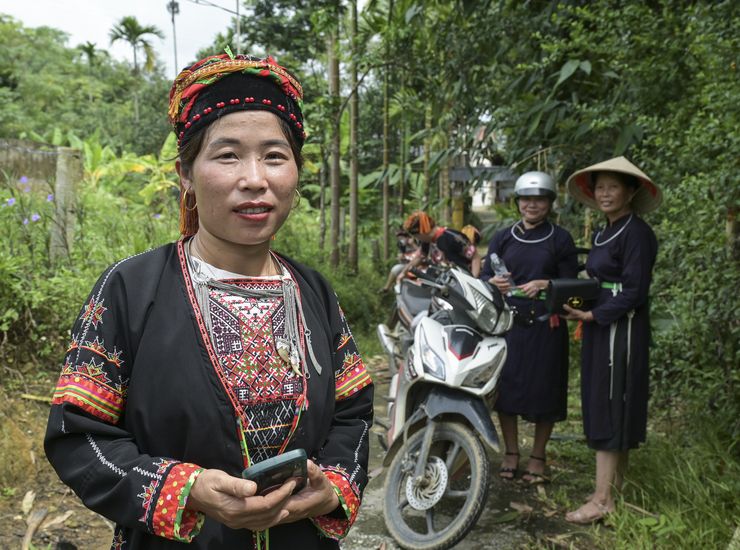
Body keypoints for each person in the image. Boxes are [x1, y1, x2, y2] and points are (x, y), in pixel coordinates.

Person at [44, 53, 374, 549]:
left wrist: (332, 488)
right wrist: (189, 489)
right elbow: (79, 435)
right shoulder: (132, 289)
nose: (255, 179)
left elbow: (355, 415)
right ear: (185, 173)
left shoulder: (315, 292)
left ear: (296, 173)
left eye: (274, 156)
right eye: (227, 155)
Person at [562, 156, 660, 524]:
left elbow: (635, 290)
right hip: (601, 327)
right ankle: (609, 489)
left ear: (631, 191)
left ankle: (604, 501)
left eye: (613, 187)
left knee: (612, 403)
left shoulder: (636, 233)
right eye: (599, 187)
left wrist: (594, 314)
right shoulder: (604, 232)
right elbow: (597, 279)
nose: (604, 193)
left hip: (622, 330)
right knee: (602, 399)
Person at [480, 171, 578, 484]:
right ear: (518, 202)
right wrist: (491, 283)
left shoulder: (560, 239)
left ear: (549, 203)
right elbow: (483, 277)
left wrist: (546, 283)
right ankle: (511, 452)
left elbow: (572, 284)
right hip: (509, 325)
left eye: (538, 199)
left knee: (545, 392)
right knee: (506, 391)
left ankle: (538, 455)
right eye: (526, 199)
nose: (531, 205)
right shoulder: (503, 237)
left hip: (545, 326)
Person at [397, 211, 481, 279]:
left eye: (416, 236)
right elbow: (420, 257)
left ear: (422, 233)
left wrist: (473, 280)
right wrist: (403, 273)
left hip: (465, 279)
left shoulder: (451, 237)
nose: (418, 239)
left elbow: (475, 257)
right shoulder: (427, 241)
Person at [379, 229, 420, 293]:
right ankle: (387, 287)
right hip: (407, 265)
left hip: (419, 266)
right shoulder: (401, 245)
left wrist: (413, 244)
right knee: (396, 269)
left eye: (402, 238)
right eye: (399, 238)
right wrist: (401, 257)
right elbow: (402, 256)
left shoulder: (416, 242)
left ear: (408, 237)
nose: (401, 240)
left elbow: (422, 253)